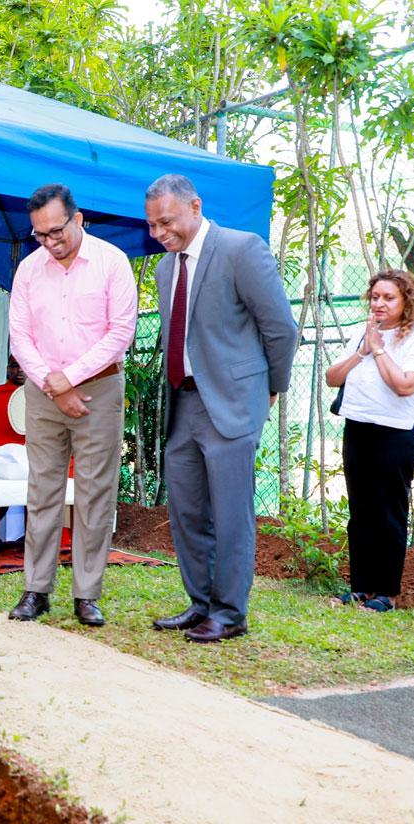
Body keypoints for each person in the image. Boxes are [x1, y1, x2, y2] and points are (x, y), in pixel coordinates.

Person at [145, 173, 297, 642]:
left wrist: (272, 388)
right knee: (187, 510)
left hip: (232, 403)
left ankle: (230, 612)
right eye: (151, 225)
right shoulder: (165, 268)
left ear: (195, 207)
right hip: (184, 402)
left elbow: (281, 329)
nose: (158, 233)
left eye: (165, 221)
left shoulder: (241, 249)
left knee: (231, 513)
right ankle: (200, 602)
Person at [8, 183, 138, 627]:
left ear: (78, 218)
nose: (50, 241)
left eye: (57, 230)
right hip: (44, 392)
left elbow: (120, 332)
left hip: (99, 390)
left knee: (94, 493)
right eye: (40, 234)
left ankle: (87, 594)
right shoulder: (28, 270)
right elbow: (20, 336)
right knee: (41, 490)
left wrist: (72, 377)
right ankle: (36, 589)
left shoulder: (111, 262)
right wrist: (53, 383)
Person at [325, 269, 414, 612]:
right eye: (375, 297)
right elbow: (332, 378)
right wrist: (362, 350)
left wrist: (378, 351)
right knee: (361, 511)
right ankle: (360, 587)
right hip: (359, 428)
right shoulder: (364, 334)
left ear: (406, 301)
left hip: (398, 432)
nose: (380, 303)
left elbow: (405, 385)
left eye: (389, 297)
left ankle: (386, 593)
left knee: (388, 512)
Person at [0, 355, 27, 449]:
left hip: (33, 452)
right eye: (15, 365)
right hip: (0, 453)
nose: (20, 369)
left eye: (25, 364)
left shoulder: (40, 397)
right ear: (8, 369)